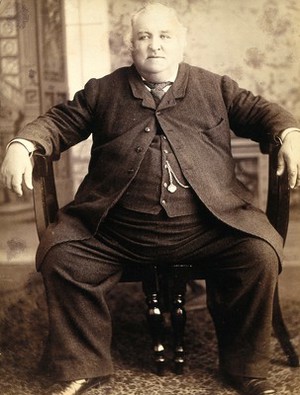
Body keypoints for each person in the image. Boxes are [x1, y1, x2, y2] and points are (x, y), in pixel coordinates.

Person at [1, 3, 300, 395]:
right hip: (116, 230)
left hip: (207, 228)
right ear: (131, 45)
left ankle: (245, 367)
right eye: (144, 37)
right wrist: (22, 144)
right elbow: (57, 123)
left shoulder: (215, 87)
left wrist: (291, 134)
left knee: (257, 254)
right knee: (63, 257)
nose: (154, 45)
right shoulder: (101, 90)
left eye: (164, 36)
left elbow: (264, 114)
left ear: (181, 43)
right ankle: (82, 365)